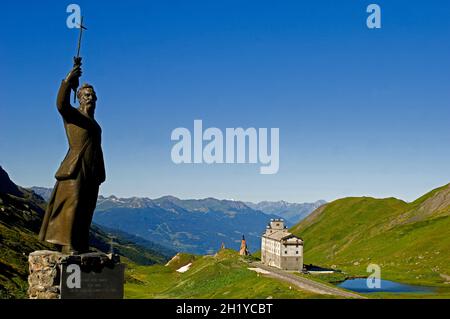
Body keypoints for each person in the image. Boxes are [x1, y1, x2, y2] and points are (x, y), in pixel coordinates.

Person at [39, 64, 106, 254]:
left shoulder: (95, 123)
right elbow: (61, 104)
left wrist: (100, 171)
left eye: (93, 96)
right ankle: (67, 243)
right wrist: (69, 80)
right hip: (75, 167)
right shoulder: (73, 116)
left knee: (86, 207)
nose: (90, 98)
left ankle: (79, 242)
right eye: (86, 95)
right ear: (79, 98)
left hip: (92, 170)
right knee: (72, 205)